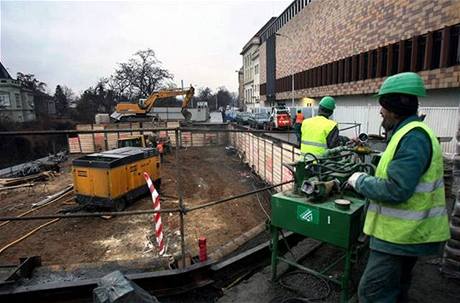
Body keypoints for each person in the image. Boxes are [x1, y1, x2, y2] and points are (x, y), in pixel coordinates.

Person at [347, 72, 450, 302]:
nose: (380, 111)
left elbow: (397, 189)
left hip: (400, 236)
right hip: (404, 235)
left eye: (382, 106)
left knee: (373, 292)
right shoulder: (407, 133)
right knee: (396, 288)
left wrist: (360, 181)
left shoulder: (414, 137)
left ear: (393, 109)